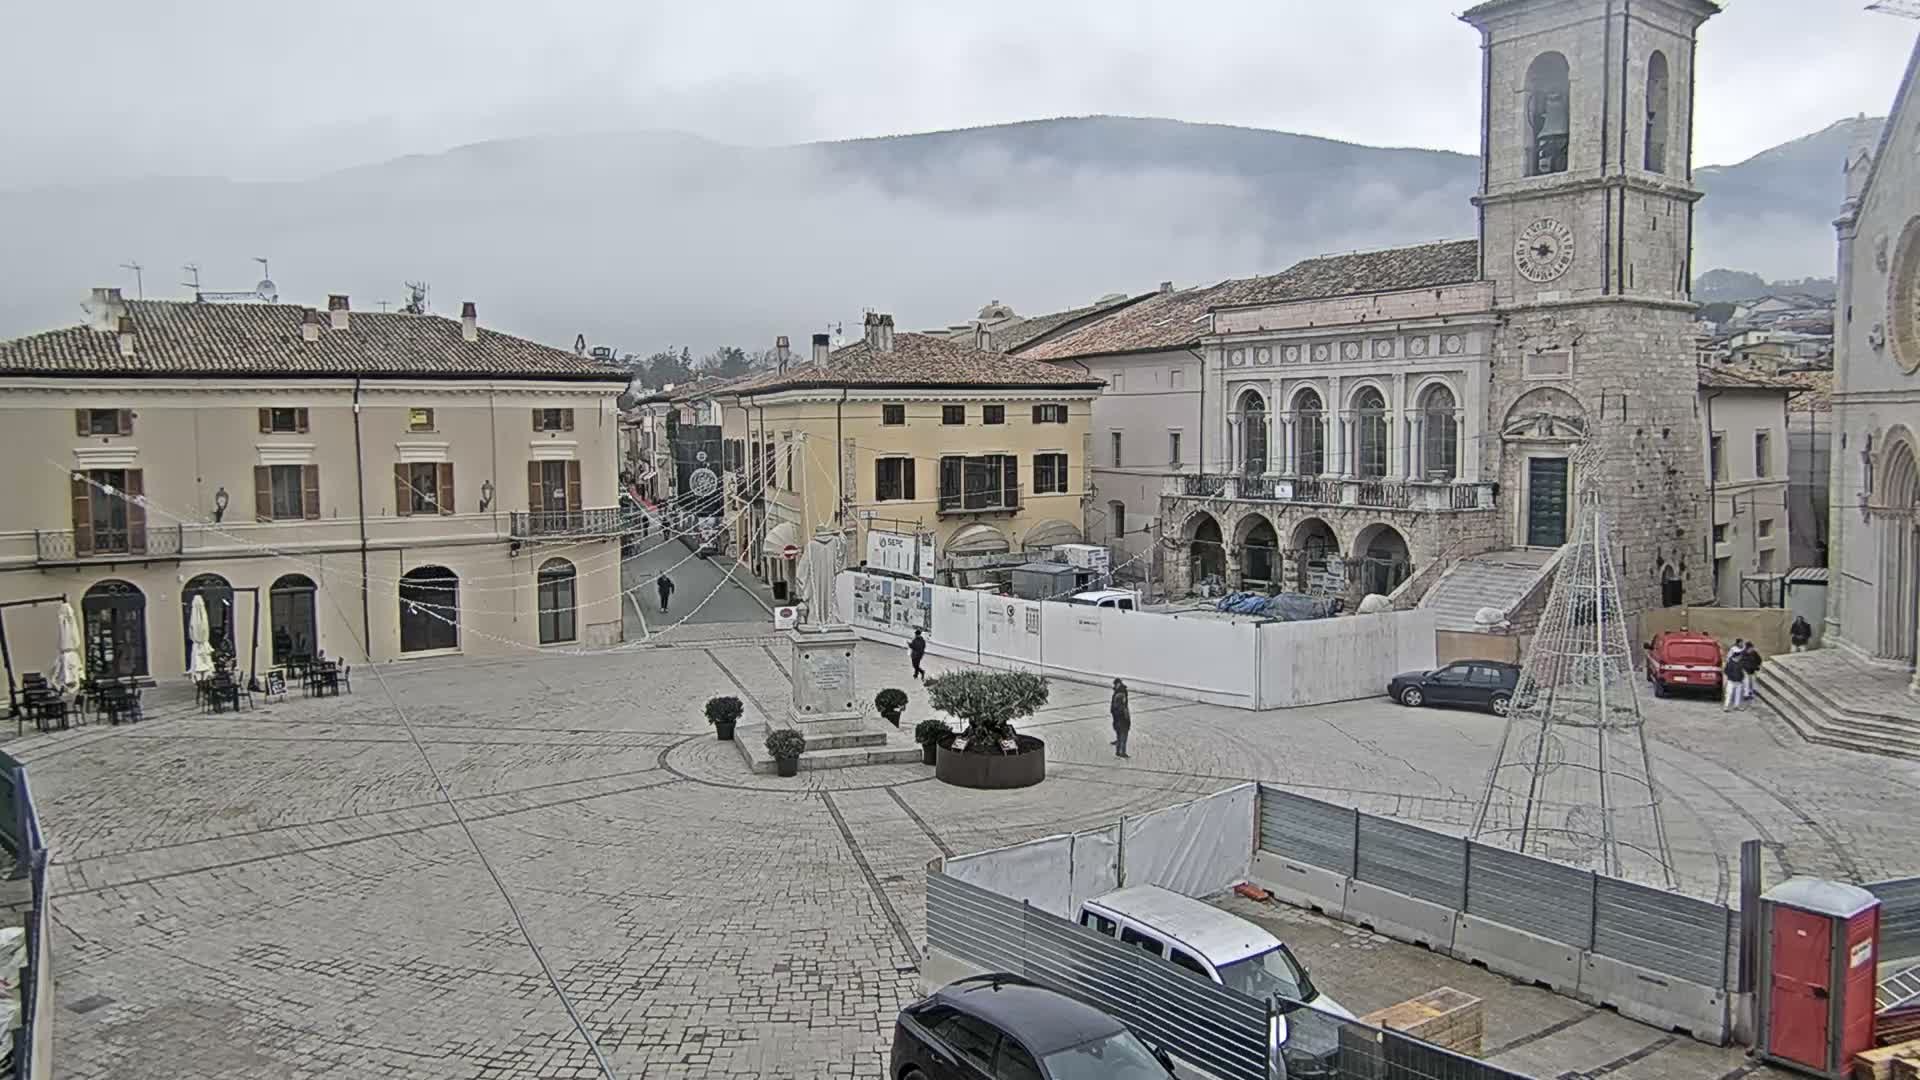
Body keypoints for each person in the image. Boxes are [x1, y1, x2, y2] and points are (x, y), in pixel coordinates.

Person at [1722, 641, 1747, 712]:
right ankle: (1726, 706)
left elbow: (1742, 671)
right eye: (1740, 657)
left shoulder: (1740, 663)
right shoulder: (1730, 663)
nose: (1740, 658)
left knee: (1738, 694)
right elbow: (1726, 671)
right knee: (1729, 694)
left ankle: (1736, 706)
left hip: (1739, 681)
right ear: (1737, 656)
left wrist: (1741, 677)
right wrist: (1731, 676)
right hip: (1731, 681)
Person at [1110, 678, 1132, 759]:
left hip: (1119, 718)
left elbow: (1117, 707)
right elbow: (1122, 708)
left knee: (1120, 735)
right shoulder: (1120, 694)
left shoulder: (1119, 693)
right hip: (1121, 719)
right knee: (1123, 735)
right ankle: (1122, 752)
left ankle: (1119, 751)